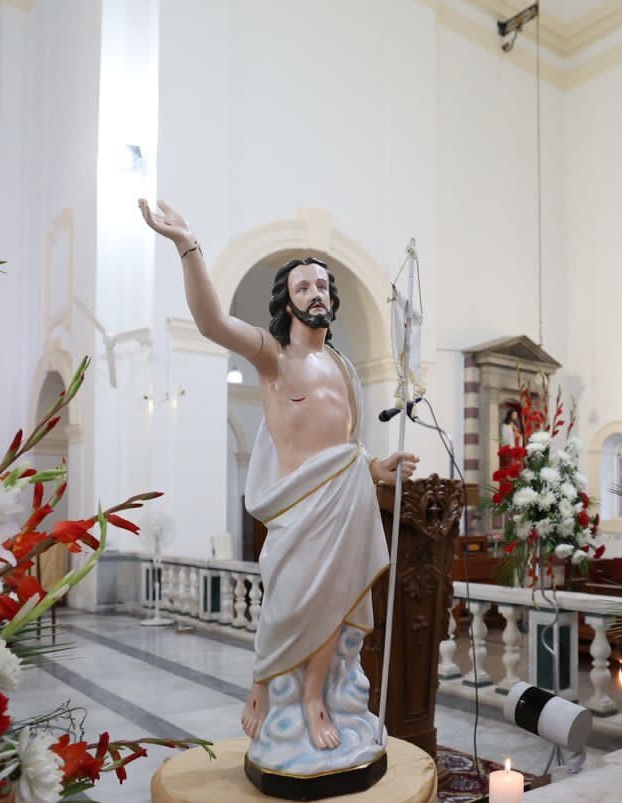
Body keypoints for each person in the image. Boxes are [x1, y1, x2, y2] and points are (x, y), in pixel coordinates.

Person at [139, 198, 415, 754]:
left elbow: (345, 444)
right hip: (298, 508)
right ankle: (261, 687)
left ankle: (314, 698)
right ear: (286, 302)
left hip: (346, 500)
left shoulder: (340, 364)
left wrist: (375, 469)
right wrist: (187, 245)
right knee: (288, 603)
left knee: (334, 606)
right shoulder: (273, 356)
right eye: (303, 287)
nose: (315, 293)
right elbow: (211, 322)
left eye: (322, 286)